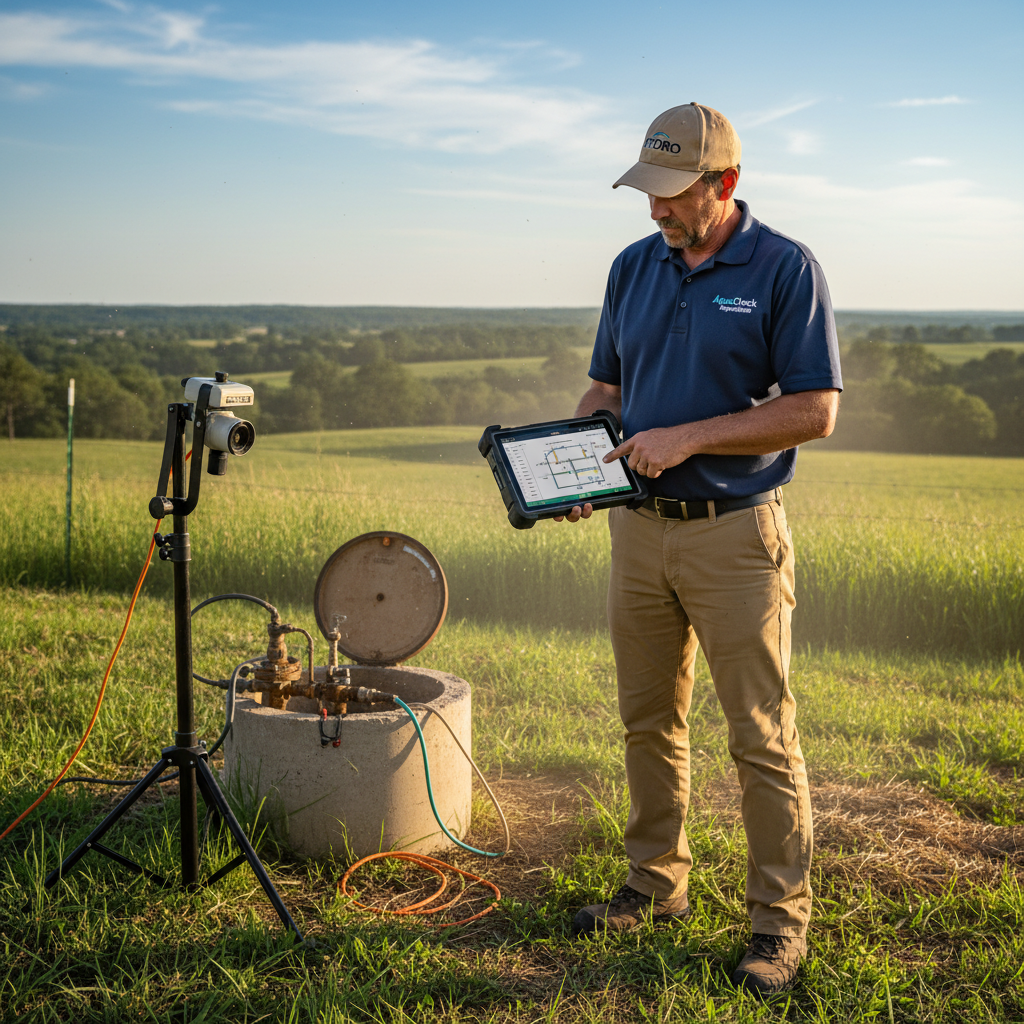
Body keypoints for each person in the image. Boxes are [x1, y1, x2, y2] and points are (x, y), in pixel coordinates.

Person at [558, 102, 842, 998]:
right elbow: (608, 387)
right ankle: (654, 883)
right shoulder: (632, 267)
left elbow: (814, 409)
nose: (655, 211)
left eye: (673, 194)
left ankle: (777, 925)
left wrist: (686, 437)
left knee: (760, 737)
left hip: (736, 538)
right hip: (638, 533)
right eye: (647, 192)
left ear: (724, 183)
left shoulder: (784, 268)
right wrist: (568, 465)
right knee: (649, 721)